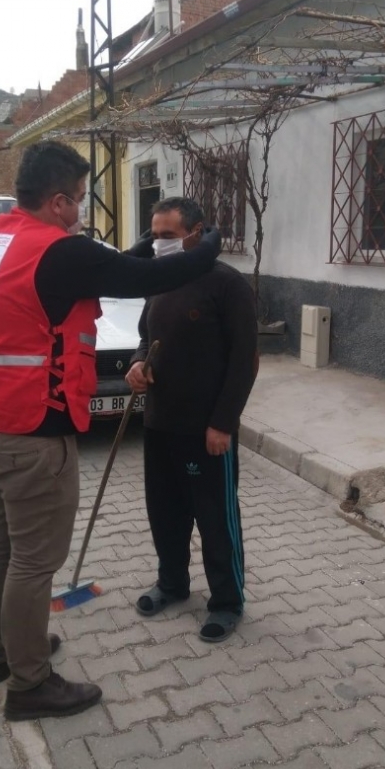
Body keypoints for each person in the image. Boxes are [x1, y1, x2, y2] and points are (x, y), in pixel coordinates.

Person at [0, 143, 222, 721]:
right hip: (34, 431)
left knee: (1, 543)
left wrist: (147, 249)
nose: (81, 212)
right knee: (34, 561)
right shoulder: (57, 251)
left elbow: (107, 265)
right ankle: (30, 685)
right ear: (57, 201)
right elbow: (149, 273)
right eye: (78, 201)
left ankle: (3, 653)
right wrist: (207, 249)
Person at [126, 197, 258, 643]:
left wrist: (223, 422)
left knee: (216, 518)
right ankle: (172, 584)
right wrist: (138, 364)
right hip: (159, 422)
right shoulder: (160, 282)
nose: (158, 244)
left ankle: (226, 601)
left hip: (206, 431)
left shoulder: (228, 285)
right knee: (165, 513)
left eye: (167, 235)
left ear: (196, 233)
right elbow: (147, 338)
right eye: (154, 235)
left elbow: (246, 361)